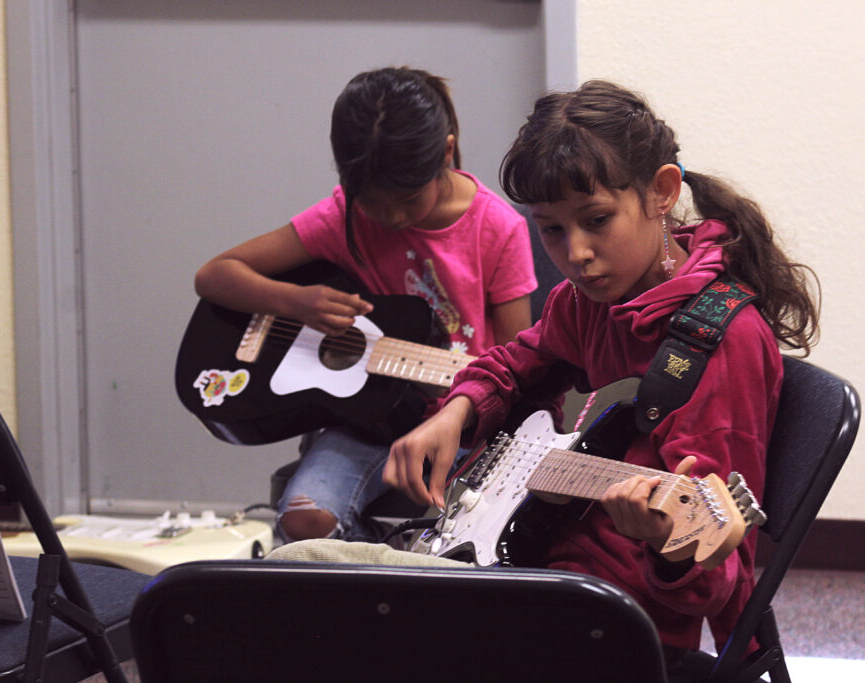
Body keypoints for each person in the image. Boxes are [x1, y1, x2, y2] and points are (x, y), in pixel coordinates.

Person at [384, 80, 819, 663]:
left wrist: (664, 541)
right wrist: (458, 410)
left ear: (662, 192)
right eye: (553, 229)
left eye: (596, 220)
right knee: (323, 582)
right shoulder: (584, 302)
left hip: (614, 615)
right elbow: (517, 360)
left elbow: (721, 575)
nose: (577, 253)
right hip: (534, 562)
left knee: (372, 624)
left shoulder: (721, 342)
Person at [195, 67, 538, 543]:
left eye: (406, 200)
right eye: (373, 202)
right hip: (364, 426)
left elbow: (516, 366)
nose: (391, 217)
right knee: (303, 521)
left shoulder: (498, 228)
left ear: (445, 152)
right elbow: (215, 276)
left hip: (461, 431)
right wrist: (298, 301)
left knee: (460, 542)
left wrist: (468, 416)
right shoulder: (343, 216)